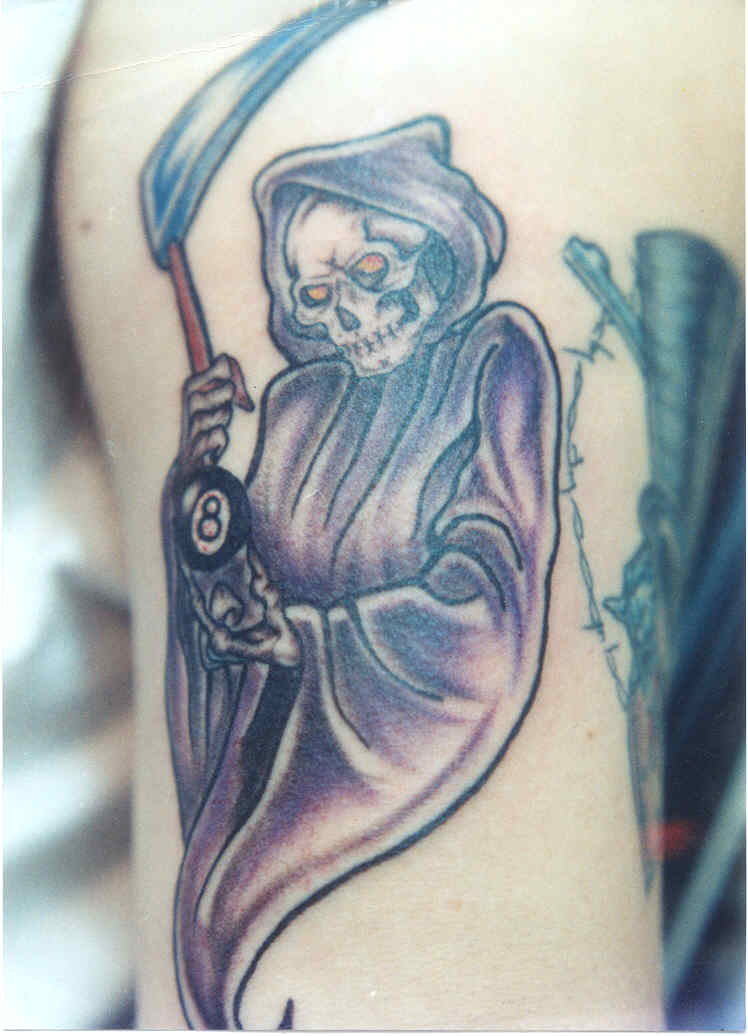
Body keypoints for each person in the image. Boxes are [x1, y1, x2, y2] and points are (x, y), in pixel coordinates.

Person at [55, 0, 742, 1027]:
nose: (351, 316)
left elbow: (485, 602)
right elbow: (237, 610)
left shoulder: (491, 360)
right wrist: (203, 498)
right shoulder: (299, 404)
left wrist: (300, 643)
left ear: (438, 244)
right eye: (316, 296)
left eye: (372, 271)